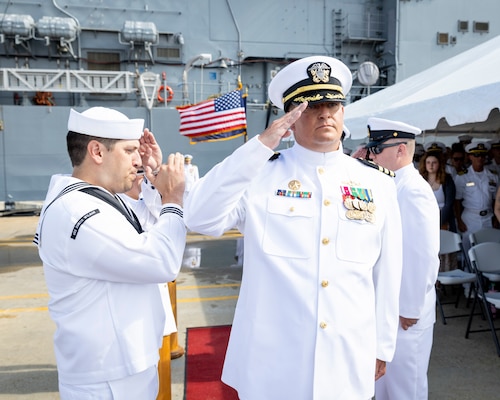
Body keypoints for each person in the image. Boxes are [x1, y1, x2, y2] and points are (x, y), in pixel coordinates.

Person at [185, 56, 403, 399]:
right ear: (290, 117)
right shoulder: (259, 174)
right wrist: (258, 147)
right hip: (273, 362)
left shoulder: (377, 184)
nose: (325, 113)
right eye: (312, 106)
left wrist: (383, 345)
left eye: (333, 103)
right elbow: (199, 217)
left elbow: (387, 273)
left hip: (345, 356)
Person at [33, 107, 187, 399]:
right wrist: (174, 198)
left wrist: (154, 182)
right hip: (107, 378)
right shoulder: (80, 212)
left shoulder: (98, 200)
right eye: (129, 150)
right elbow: (161, 261)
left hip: (123, 367)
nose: (138, 159)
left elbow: (148, 227)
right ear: (97, 152)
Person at [365, 117, 440, 400]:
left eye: (376, 147)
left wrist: (409, 307)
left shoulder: (414, 191)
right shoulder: (389, 185)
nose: (371, 154)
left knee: (405, 388)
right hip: (388, 308)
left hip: (405, 314)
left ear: (400, 150)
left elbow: (422, 256)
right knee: (383, 387)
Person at [454, 141, 498, 251]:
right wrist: (459, 220)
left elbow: (495, 200)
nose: (480, 158)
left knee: (489, 249)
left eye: (482, 155)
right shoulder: (462, 176)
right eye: (476, 155)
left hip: (488, 217)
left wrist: (496, 218)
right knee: (469, 249)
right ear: (470, 157)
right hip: (470, 218)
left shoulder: (493, 176)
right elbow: (457, 200)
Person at [419, 141, 456, 232]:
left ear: (439, 164)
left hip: (444, 221)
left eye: (434, 162)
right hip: (424, 221)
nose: (431, 165)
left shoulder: (447, 180)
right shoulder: (419, 180)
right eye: (428, 162)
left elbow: (449, 204)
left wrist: (438, 223)